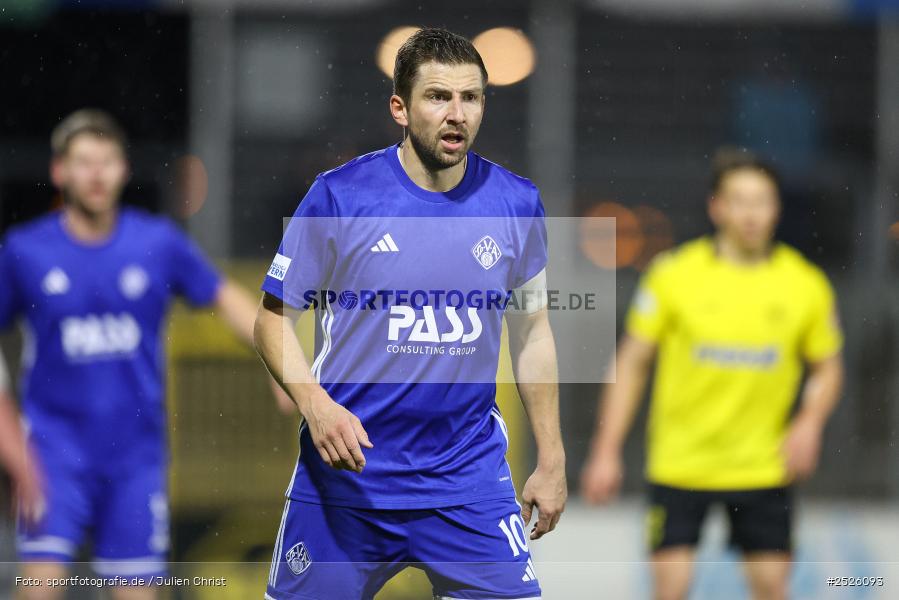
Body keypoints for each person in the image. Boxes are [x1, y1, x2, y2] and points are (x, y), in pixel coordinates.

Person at [254, 28, 566, 600]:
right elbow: (272, 320)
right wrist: (316, 406)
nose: (457, 114)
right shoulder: (340, 196)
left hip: (468, 484)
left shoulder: (517, 203)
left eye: (470, 98)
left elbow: (532, 333)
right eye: (438, 97)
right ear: (400, 108)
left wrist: (552, 457)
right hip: (349, 484)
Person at [0, 108, 278, 600]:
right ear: (59, 171)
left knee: (137, 592)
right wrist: (13, 450)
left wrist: (282, 367)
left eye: (107, 161)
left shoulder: (157, 243)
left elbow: (228, 300)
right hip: (54, 453)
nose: (96, 174)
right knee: (39, 586)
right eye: (83, 162)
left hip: (135, 458)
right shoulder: (25, 251)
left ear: (124, 169)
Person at [580, 149, 844, 600]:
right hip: (680, 465)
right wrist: (605, 450)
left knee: (772, 589)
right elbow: (632, 362)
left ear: (777, 208)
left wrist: (810, 421)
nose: (751, 214)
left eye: (761, 201)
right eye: (739, 201)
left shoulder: (805, 285)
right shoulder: (673, 275)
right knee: (671, 590)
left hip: (764, 468)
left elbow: (828, 368)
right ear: (716, 207)